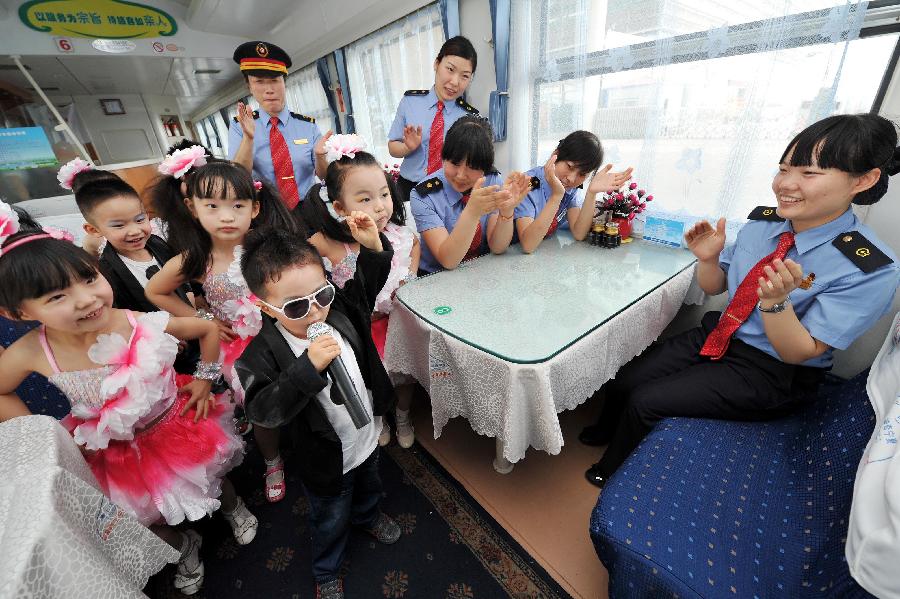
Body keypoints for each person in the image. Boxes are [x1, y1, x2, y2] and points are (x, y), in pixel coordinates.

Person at [581, 113, 900, 488]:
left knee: (646, 400)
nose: (786, 184)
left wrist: (776, 303)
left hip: (773, 369)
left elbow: (801, 351)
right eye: (784, 169)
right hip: (721, 333)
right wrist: (708, 258)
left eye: (809, 174)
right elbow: (716, 287)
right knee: (624, 377)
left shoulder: (869, 267)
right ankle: (606, 429)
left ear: (863, 180)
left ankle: (611, 469)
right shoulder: (763, 224)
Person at [0, 203, 257, 596]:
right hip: (113, 451)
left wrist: (205, 380)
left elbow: (205, 328)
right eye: (56, 297)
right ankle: (184, 546)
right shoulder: (30, 351)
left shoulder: (132, 320)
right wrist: (43, 435)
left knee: (213, 476)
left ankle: (232, 508)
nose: (86, 300)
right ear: (17, 313)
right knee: (143, 515)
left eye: (88, 278)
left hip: (176, 423)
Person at [236, 225, 401, 599]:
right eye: (296, 306)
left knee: (370, 484)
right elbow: (264, 409)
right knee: (329, 516)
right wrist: (307, 368)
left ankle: (369, 515)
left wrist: (374, 246)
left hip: (366, 433)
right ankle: (326, 567)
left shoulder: (337, 310)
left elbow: (366, 282)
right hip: (325, 456)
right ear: (266, 307)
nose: (314, 312)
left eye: (321, 294)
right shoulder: (260, 355)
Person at [145, 160, 303, 504]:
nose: (227, 216)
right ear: (193, 208)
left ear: (254, 208)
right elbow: (154, 291)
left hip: (286, 333)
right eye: (212, 206)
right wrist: (202, 319)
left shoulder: (270, 247)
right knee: (262, 408)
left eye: (237, 206)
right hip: (242, 351)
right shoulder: (196, 260)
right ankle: (272, 461)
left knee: (303, 390)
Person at [301, 133, 421, 448]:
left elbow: (416, 245)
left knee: (404, 376)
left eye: (384, 194)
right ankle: (378, 418)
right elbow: (298, 261)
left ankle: (404, 413)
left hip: (397, 323)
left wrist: (410, 273)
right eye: (365, 199)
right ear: (340, 207)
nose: (380, 207)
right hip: (361, 331)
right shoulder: (328, 243)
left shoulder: (398, 235)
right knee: (369, 379)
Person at [410, 115, 531, 274]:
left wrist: (506, 211)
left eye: (472, 167)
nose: (460, 175)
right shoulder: (424, 195)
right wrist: (472, 212)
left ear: (486, 166)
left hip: (478, 271)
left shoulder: (492, 180)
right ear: (444, 155)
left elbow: (498, 247)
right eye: (454, 163)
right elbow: (448, 260)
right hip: (435, 276)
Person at [229, 40, 331, 208]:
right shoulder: (240, 126)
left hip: (309, 207)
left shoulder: (308, 126)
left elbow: (324, 177)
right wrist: (248, 138)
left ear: (284, 83)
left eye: (275, 80)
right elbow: (238, 177)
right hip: (266, 209)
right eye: (259, 81)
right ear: (249, 86)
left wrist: (321, 157)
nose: (269, 89)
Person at [388, 36, 479, 202]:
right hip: (409, 187)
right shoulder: (410, 102)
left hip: (448, 191)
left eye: (464, 76)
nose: (454, 82)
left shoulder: (469, 118)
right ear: (437, 64)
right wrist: (408, 147)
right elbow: (392, 147)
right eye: (450, 69)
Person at [515, 130, 633, 253]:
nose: (571, 179)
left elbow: (579, 233)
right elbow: (528, 246)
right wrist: (557, 195)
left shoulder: (572, 188)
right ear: (555, 155)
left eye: (582, 174)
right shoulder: (528, 183)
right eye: (570, 166)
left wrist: (591, 193)